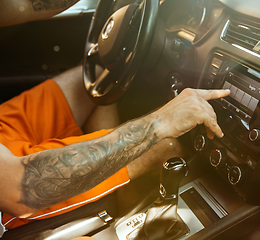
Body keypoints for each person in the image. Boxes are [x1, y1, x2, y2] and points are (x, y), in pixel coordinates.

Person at [0, 0, 230, 234]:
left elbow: (19, 5)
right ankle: (125, 208)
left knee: (100, 81)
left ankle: (119, 187)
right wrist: (159, 122)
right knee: (166, 146)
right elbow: (21, 188)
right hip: (9, 185)